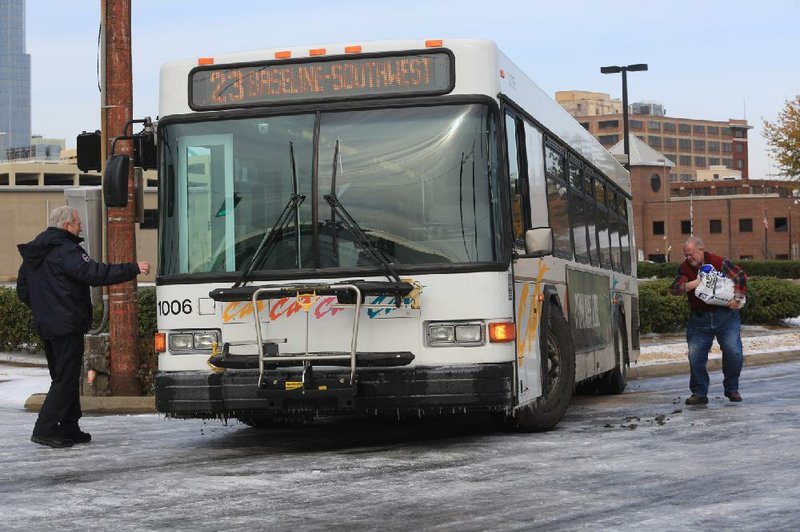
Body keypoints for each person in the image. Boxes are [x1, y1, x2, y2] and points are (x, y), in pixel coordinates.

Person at [17, 206, 150, 448]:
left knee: (63, 376)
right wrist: (133, 268)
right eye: (77, 223)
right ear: (66, 225)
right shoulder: (66, 250)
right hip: (66, 325)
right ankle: (45, 429)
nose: (80, 227)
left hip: (47, 325)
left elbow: (23, 290)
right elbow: (94, 273)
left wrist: (44, 310)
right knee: (65, 379)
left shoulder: (35, 250)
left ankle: (69, 426)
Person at [670, 236, 747, 405]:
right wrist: (694, 284)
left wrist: (738, 300)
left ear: (701, 250)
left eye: (691, 254)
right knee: (695, 356)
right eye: (686, 255)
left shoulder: (719, 262)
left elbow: (740, 277)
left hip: (725, 316)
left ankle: (731, 388)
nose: (688, 258)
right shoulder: (684, 268)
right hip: (700, 318)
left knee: (734, 352)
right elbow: (675, 289)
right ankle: (699, 392)